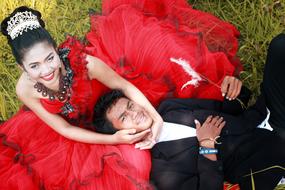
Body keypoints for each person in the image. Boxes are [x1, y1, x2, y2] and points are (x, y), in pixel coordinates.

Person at [0, 0, 244, 189]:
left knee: (170, 62)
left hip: (113, 104)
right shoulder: (24, 89)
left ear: (56, 49)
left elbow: (125, 86)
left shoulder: (85, 64)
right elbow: (64, 129)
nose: (47, 70)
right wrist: (115, 140)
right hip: (75, 132)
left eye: (50, 58)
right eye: (34, 66)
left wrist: (156, 118)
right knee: (130, 168)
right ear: (22, 68)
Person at [94, 87, 285, 190]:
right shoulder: (162, 169)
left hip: (262, 116)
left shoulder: (169, 108)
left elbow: (225, 109)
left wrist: (234, 90)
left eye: (130, 105)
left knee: (279, 47)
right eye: (124, 117)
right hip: (265, 156)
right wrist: (207, 146)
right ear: (119, 133)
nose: (133, 113)